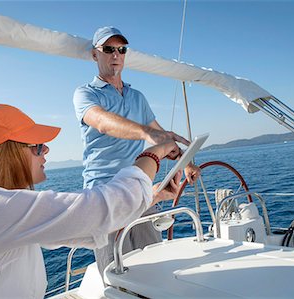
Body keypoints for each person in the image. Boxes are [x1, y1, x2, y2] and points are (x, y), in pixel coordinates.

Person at [0, 104, 182, 298]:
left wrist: (154, 194)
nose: (46, 150)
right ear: (7, 155)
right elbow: (104, 208)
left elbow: (84, 225)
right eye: (36, 146)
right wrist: (154, 153)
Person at [73, 26, 201, 274]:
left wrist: (186, 163)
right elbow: (100, 121)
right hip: (105, 195)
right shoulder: (85, 93)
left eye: (121, 49)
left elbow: (160, 134)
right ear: (94, 55)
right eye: (108, 49)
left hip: (141, 191)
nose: (115, 55)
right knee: (116, 273)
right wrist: (146, 132)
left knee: (153, 268)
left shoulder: (137, 97)